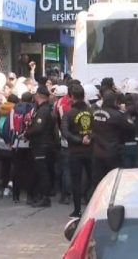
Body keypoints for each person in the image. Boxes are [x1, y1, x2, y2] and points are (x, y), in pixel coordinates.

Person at [61, 84, 92, 218]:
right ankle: (93, 206)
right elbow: (99, 128)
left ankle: (77, 209)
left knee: (76, 181)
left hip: (75, 151)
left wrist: (79, 140)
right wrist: (89, 137)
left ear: (71, 97)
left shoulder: (69, 113)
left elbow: (65, 132)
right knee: (93, 179)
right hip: (90, 150)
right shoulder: (92, 111)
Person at [91, 91, 135, 188]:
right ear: (115, 101)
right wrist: (125, 112)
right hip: (112, 151)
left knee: (98, 180)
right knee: (113, 180)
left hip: (97, 150)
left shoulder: (95, 113)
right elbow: (131, 127)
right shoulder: (117, 115)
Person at [24, 86, 57, 207]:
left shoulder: (43, 111)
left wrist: (27, 134)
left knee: (43, 172)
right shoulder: (46, 109)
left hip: (41, 145)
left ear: (38, 95)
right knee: (42, 171)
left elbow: (38, 127)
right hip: (44, 144)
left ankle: (45, 198)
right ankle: (41, 196)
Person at [11, 92, 35, 203]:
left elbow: (10, 126)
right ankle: (30, 195)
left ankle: (15, 195)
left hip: (16, 143)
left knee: (17, 170)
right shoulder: (32, 109)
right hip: (29, 142)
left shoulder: (14, 109)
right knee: (30, 170)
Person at [0, 94, 17, 197]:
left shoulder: (0, 112)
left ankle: (4, 186)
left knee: (5, 166)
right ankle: (10, 186)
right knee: (13, 165)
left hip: (0, 144)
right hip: (10, 144)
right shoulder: (13, 112)